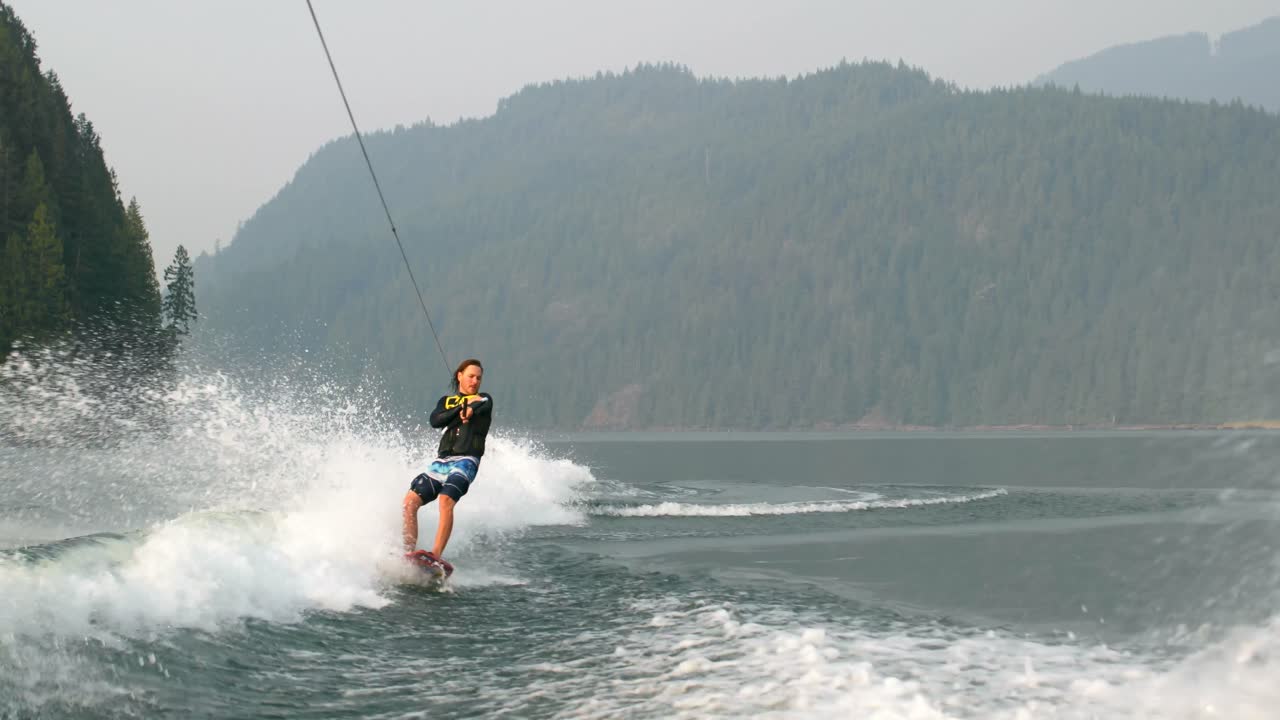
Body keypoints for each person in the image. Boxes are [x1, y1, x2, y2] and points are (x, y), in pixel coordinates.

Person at [402, 358, 493, 567]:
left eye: (478, 378)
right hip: (441, 462)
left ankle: (435, 556)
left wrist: (469, 409)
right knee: (409, 502)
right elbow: (435, 420)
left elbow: (477, 408)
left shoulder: (484, 399)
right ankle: (406, 555)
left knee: (445, 500)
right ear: (459, 376)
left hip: (466, 461)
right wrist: (459, 408)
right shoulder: (446, 401)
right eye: (471, 376)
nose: (475, 381)